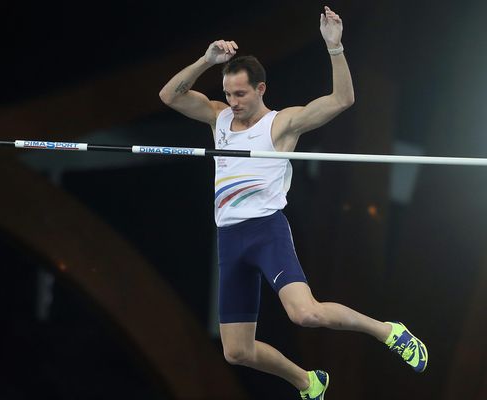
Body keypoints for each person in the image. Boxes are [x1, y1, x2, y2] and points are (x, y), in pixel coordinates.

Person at [159, 6, 427, 400]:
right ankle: (308, 382)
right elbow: (169, 96)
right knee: (236, 352)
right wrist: (206, 60)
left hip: (266, 231)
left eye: (241, 94)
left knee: (306, 313)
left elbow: (342, 100)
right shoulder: (217, 117)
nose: (232, 102)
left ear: (261, 89)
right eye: (228, 93)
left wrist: (334, 48)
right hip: (230, 238)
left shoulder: (282, 124)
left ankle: (389, 331)